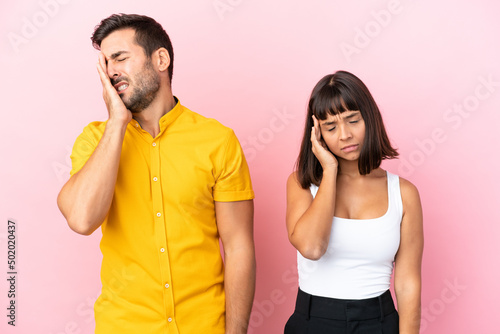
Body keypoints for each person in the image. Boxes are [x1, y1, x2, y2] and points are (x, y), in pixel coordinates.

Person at [57, 14, 256, 334]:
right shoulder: (96, 140)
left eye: (120, 58)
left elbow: (238, 247)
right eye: (106, 63)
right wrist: (116, 124)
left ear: (160, 58)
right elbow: (82, 220)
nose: (111, 71)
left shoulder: (217, 140)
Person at [284, 71, 423, 333]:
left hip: (378, 321)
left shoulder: (404, 193)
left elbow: (408, 284)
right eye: (331, 127)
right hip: (313, 321)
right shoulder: (301, 184)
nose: (345, 135)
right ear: (317, 133)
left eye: (353, 120)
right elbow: (312, 248)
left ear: (369, 118)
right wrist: (329, 171)